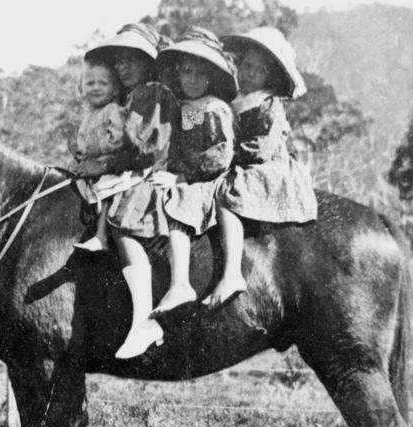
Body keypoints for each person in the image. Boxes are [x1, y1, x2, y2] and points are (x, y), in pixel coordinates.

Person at [72, 23, 179, 358]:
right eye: (119, 61)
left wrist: (101, 166)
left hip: (147, 173)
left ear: (150, 62)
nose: (124, 67)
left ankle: (143, 319)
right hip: (127, 171)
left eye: (133, 59)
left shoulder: (153, 93)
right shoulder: (125, 100)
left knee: (123, 228)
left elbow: (148, 148)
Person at [211, 26, 318, 309]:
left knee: (227, 195)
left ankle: (233, 272)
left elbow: (262, 147)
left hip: (264, 166)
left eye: (259, 71)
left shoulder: (269, 105)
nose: (250, 74)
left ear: (270, 76)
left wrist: (227, 158)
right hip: (234, 160)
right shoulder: (231, 98)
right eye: (247, 66)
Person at [150, 27, 239, 319]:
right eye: (186, 72)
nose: (192, 79)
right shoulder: (184, 106)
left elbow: (219, 155)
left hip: (206, 179)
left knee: (180, 205)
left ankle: (181, 284)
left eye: (200, 74)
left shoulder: (214, 108)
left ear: (212, 77)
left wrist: (181, 178)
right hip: (181, 173)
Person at [69, 60, 127, 252]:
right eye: (90, 83)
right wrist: (79, 155)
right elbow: (83, 145)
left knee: (108, 187)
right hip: (90, 168)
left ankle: (101, 235)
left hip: (108, 165)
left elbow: (118, 139)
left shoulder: (113, 110)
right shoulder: (88, 117)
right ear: (81, 88)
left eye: (103, 83)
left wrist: (95, 149)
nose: (96, 88)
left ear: (115, 89)